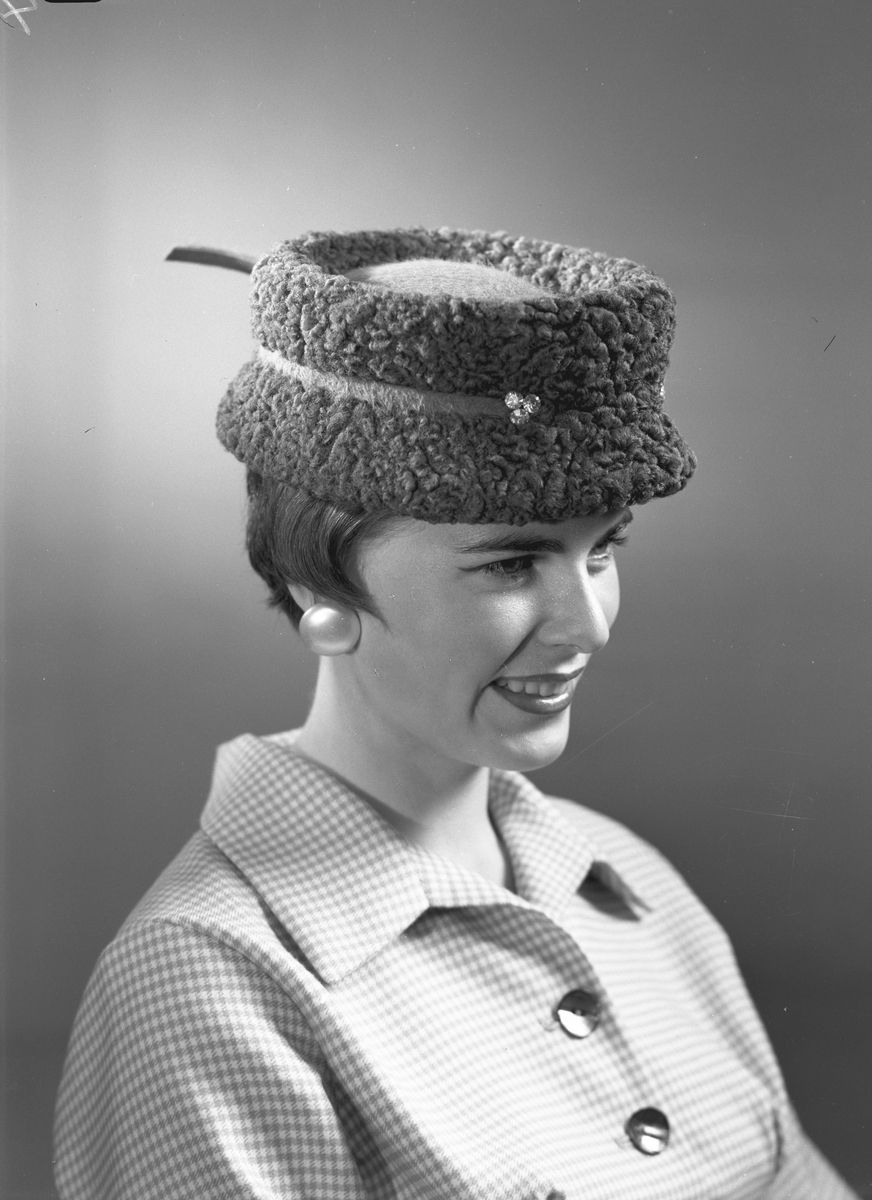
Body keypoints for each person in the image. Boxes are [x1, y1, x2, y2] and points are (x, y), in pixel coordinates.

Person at [53, 228, 857, 1199]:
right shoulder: (209, 983)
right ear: (319, 583)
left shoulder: (635, 886)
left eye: (603, 549)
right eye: (511, 563)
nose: (590, 623)